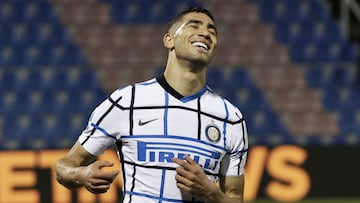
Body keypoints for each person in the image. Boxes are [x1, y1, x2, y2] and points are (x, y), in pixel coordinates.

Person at [55, 6, 248, 203]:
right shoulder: (127, 101)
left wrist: (212, 193)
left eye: (212, 31)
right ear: (169, 40)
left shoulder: (231, 119)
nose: (205, 33)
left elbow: (234, 198)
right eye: (194, 26)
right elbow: (64, 167)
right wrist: (81, 174)